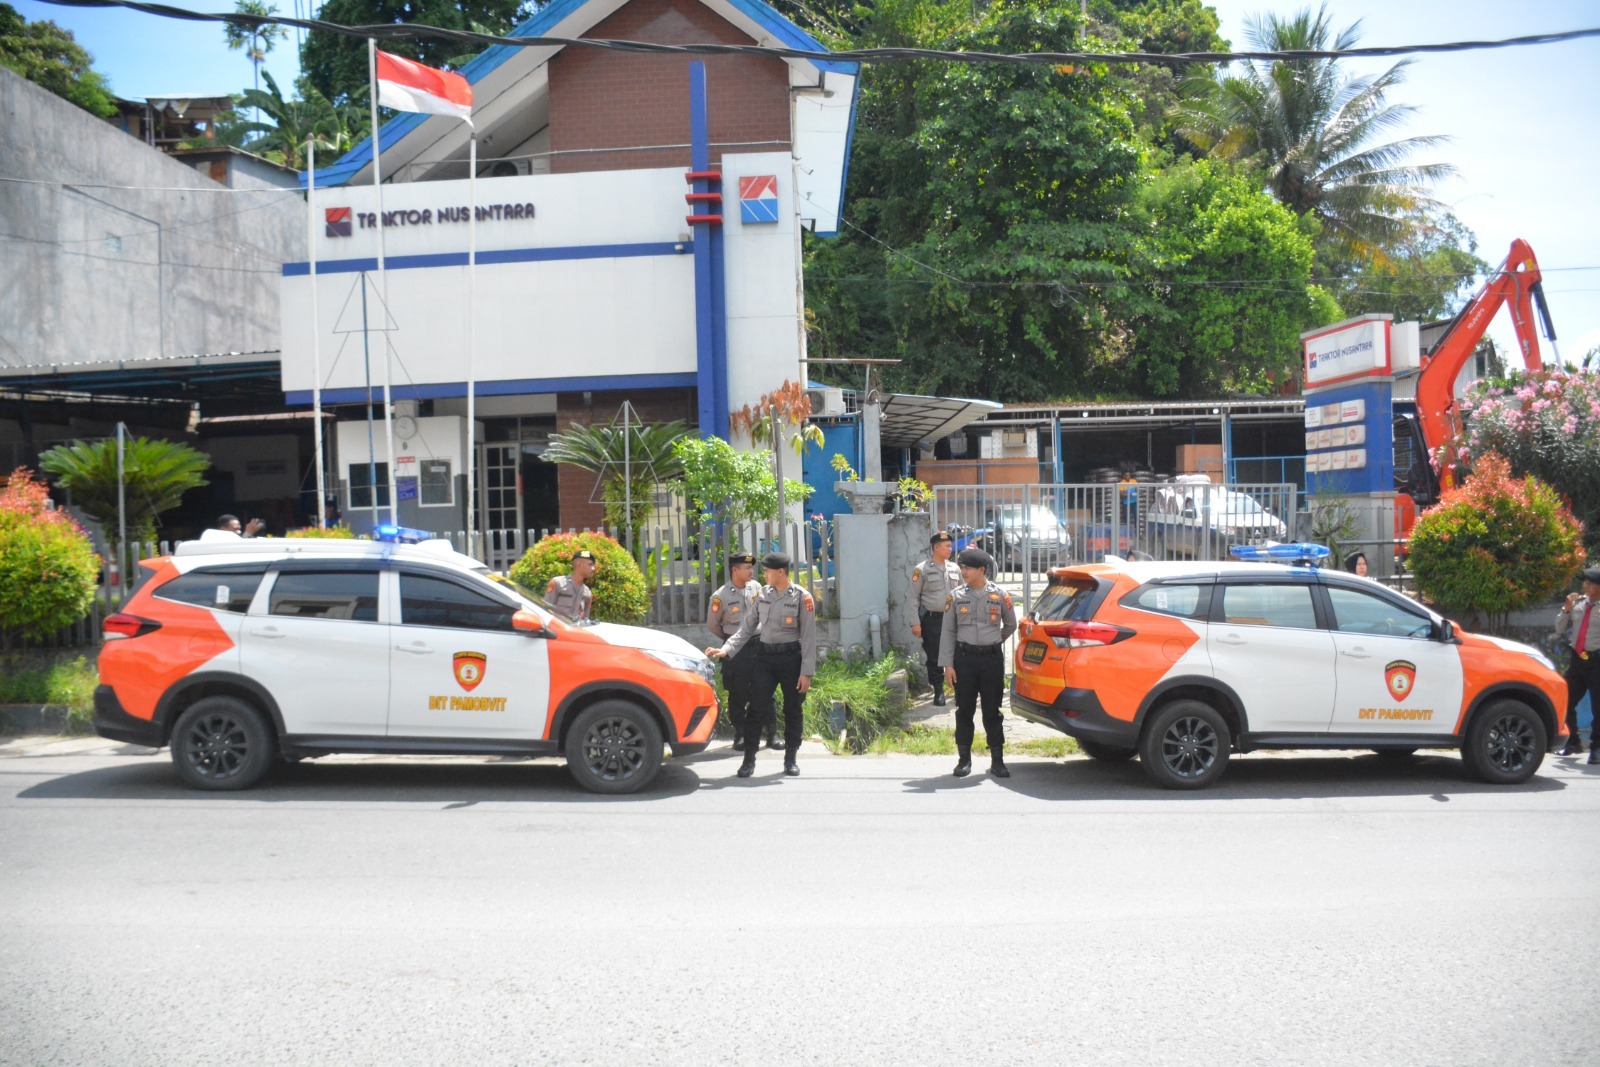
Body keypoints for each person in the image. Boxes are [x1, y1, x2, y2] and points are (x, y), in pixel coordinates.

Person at [708, 552, 816, 779]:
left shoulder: (801, 597)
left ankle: (790, 758)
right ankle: (749, 760)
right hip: (765, 659)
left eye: (767, 570)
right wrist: (727, 649)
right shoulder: (762, 595)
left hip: (791, 660)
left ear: (780, 572)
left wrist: (806, 672)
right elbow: (746, 627)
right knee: (755, 709)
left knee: (792, 710)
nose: (762, 574)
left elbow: (808, 638)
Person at [938, 546, 1017, 778]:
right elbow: (948, 632)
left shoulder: (1001, 595)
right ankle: (964, 760)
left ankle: (998, 761)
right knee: (964, 710)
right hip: (964, 660)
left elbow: (1011, 625)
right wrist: (948, 666)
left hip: (991, 661)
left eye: (968, 568)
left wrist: (994, 641)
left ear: (982, 570)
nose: (963, 571)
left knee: (992, 711)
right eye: (961, 567)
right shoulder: (955, 597)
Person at [706, 552, 775, 751]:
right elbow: (713, 625)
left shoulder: (757, 588)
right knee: (737, 693)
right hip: (736, 650)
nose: (751, 571)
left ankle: (772, 734)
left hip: (759, 643)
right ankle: (741, 735)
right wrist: (731, 641)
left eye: (751, 567)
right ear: (734, 570)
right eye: (746, 568)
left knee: (766, 689)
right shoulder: (720, 596)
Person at [909, 531, 961, 706]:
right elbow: (913, 598)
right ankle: (938, 691)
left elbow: (962, 593)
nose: (950, 549)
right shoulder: (922, 569)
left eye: (950, 545)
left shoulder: (955, 568)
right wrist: (915, 622)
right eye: (946, 546)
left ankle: (957, 689)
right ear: (936, 548)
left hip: (953, 619)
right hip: (932, 619)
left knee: (957, 654)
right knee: (935, 657)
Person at [1554, 564, 1600, 761]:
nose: (1586, 585)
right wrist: (1566, 609)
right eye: (1585, 582)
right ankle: (1573, 742)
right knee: (1566, 700)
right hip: (1577, 659)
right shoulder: (1579, 604)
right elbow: (1559, 629)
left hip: (1597, 659)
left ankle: (1596, 748)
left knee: (1597, 707)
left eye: (1590, 583)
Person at [546, 549, 596, 621]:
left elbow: (585, 620)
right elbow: (546, 610)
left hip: (574, 631)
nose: (593, 568)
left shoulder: (587, 593)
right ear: (579, 565)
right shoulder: (558, 583)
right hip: (555, 630)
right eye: (590, 564)